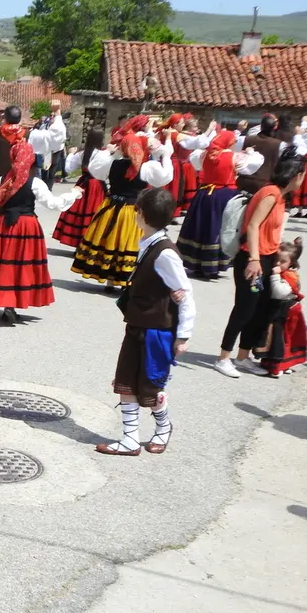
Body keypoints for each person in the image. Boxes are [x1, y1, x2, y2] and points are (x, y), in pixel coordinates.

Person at [95, 188, 195, 456]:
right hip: (137, 326)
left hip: (157, 332)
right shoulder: (149, 243)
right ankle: (129, 439)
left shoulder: (165, 254)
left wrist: (183, 335)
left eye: (136, 210)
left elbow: (185, 296)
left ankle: (163, 428)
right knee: (125, 382)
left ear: (140, 214)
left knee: (151, 389)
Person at [214, 149, 306, 378]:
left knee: (257, 309)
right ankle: (224, 357)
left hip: (266, 258)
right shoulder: (270, 193)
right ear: (296, 175)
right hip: (251, 258)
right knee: (244, 308)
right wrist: (254, 259)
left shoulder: (280, 196)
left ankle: (243, 356)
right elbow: (253, 226)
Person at [0, 141, 83, 323]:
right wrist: (73, 193)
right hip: (27, 226)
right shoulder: (35, 182)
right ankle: (18, 300)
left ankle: (7, 303)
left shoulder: (2, 181)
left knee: (6, 264)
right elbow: (53, 204)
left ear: (12, 158)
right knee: (24, 265)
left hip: (5, 225)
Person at [72, 115, 174, 290]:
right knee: (127, 244)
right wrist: (164, 155)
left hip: (111, 206)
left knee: (111, 240)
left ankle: (110, 280)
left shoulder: (112, 163)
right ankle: (123, 280)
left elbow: (95, 169)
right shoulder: (146, 167)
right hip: (132, 211)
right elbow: (166, 177)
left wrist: (111, 151)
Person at [177, 127, 264, 278]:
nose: (233, 145)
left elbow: (195, 159)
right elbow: (255, 164)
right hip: (224, 195)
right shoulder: (234, 157)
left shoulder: (204, 154)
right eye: (233, 142)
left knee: (201, 226)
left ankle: (197, 263)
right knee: (219, 227)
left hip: (204, 194)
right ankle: (213, 265)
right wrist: (250, 152)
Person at [258, 239, 307, 376]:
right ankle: (283, 364)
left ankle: (277, 365)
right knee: (284, 338)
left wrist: (274, 275)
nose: (278, 264)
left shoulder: (288, 276)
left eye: (282, 261)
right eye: (276, 260)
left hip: (284, 311)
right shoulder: (287, 273)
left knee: (278, 339)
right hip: (285, 311)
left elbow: (278, 292)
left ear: (291, 262)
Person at [53, 127, 107, 248]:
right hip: (98, 186)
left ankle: (79, 243)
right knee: (95, 214)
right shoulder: (104, 154)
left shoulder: (83, 154)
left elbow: (68, 169)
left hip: (84, 184)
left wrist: (71, 154)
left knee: (80, 213)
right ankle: (90, 244)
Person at [235, 114, 283, 194]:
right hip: (264, 183)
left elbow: (234, 150)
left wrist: (238, 130)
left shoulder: (244, 139)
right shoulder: (280, 144)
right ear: (274, 128)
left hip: (244, 181)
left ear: (261, 127)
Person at [42, 100, 67, 188]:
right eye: (51, 116)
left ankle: (48, 188)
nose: (51, 117)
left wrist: (58, 110)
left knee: (51, 172)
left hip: (55, 150)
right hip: (48, 151)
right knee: (45, 171)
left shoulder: (56, 126)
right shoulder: (49, 125)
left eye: (53, 116)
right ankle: (45, 187)